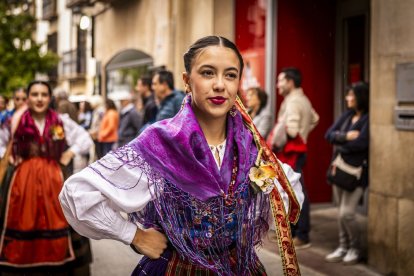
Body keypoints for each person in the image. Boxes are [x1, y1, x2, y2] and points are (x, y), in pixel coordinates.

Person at [59, 36, 304, 275]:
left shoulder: (249, 144)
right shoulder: (160, 141)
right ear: (187, 80)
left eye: (230, 75)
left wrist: (246, 224)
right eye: (208, 73)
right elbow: (77, 193)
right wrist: (135, 235)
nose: (220, 84)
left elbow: (288, 190)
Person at [0, 80, 93, 274]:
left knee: (59, 217)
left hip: (55, 178)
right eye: (35, 95)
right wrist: (10, 157)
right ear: (28, 98)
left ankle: (58, 259)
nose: (39, 99)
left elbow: (84, 138)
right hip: (22, 181)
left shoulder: (60, 120)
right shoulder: (17, 121)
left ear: (49, 98)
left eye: (44, 94)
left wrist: (69, 153)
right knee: (22, 218)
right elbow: (1, 142)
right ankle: (24, 259)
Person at [270, 67, 319, 249]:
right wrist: (304, 134)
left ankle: (302, 234)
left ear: (290, 82)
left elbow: (290, 130)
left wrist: (283, 139)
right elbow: (315, 118)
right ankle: (292, 231)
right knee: (293, 189)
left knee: (296, 191)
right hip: (298, 151)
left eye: (281, 81)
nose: (278, 85)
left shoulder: (292, 102)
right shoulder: (303, 99)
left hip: (291, 152)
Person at [324, 82, 369, 265]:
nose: (347, 98)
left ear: (361, 97)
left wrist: (340, 143)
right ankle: (343, 247)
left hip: (357, 173)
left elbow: (362, 143)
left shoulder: (368, 119)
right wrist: (345, 137)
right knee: (339, 212)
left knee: (347, 214)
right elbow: (328, 135)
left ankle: (355, 248)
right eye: (348, 95)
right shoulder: (347, 115)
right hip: (340, 169)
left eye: (351, 95)